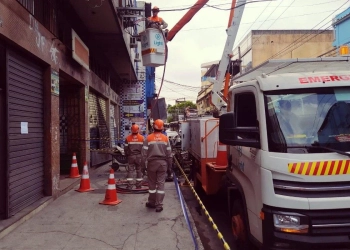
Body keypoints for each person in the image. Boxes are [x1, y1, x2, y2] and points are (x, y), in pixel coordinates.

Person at [142, 119, 172, 212]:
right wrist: (170, 167)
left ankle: (152, 202)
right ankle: (159, 205)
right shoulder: (165, 138)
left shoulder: (148, 138)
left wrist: (143, 167)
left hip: (151, 164)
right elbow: (169, 154)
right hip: (163, 164)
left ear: (153, 126)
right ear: (162, 127)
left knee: (152, 183)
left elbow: (143, 154)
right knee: (160, 184)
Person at [124, 124, 145, 189]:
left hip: (131, 156)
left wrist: (127, 154)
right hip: (139, 156)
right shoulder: (142, 138)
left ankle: (130, 185)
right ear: (138, 130)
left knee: (130, 170)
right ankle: (138, 186)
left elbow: (125, 148)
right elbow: (144, 148)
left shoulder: (127, 138)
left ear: (131, 130)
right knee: (139, 170)